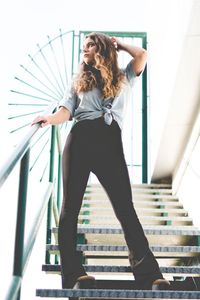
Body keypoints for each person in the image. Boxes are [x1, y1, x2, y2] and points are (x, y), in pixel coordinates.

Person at [32, 32, 170, 290]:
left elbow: (142, 55)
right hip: (81, 138)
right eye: (83, 46)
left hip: (110, 142)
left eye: (91, 44)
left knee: (125, 208)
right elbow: (66, 110)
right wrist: (49, 119)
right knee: (70, 207)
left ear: (104, 47)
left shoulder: (124, 76)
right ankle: (72, 274)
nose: (85, 49)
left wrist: (119, 44)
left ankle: (149, 274)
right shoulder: (78, 82)